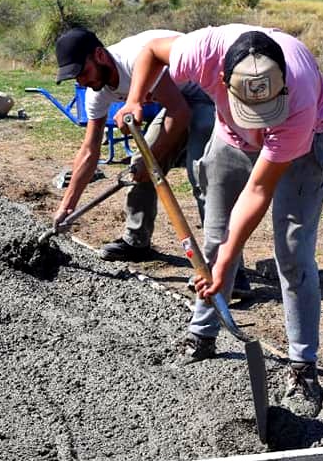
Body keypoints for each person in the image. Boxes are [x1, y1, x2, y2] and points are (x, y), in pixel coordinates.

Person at [115, 25, 323, 414]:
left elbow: (259, 190)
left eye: (265, 111)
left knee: (293, 253)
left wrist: (228, 257)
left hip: (303, 144)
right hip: (229, 138)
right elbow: (151, 50)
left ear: (282, 83)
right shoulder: (201, 53)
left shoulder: (299, 101)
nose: (258, 124)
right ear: (220, 79)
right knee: (215, 240)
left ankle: (303, 367)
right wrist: (135, 99)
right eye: (250, 111)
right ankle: (202, 335)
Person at [52, 27, 252, 298]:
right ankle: (136, 241)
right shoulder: (96, 91)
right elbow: (89, 150)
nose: (82, 81)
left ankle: (229, 272)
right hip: (178, 102)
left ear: (99, 55)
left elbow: (180, 113)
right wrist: (67, 206)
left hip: (210, 97)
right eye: (76, 77)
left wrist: (152, 161)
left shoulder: (134, 60)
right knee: (139, 164)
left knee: (205, 177)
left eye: (83, 72)